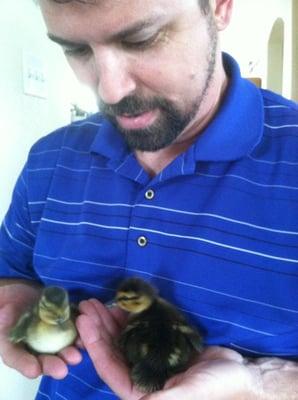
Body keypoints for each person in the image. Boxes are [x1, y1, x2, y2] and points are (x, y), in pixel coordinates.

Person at [1, 0, 298, 399]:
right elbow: (11, 269)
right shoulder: (48, 160)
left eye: (142, 38)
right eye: (76, 49)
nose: (109, 89)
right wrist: (13, 299)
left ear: (221, 7)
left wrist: (261, 385)